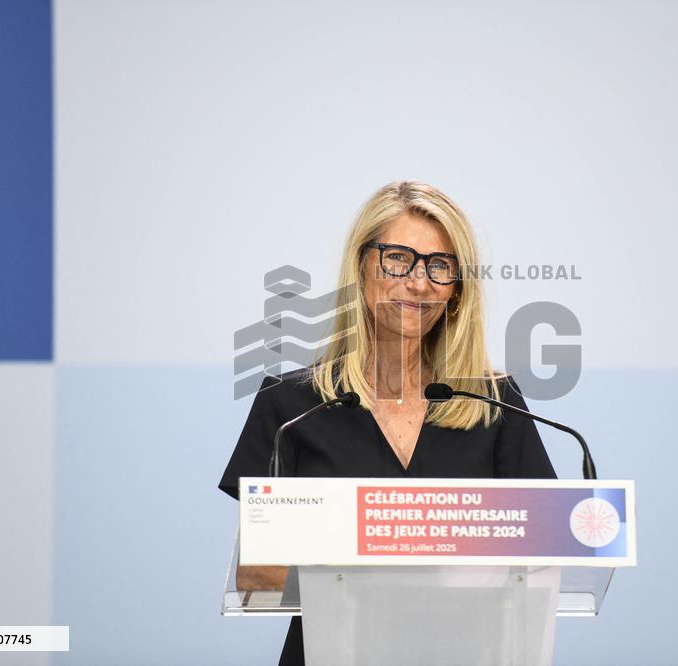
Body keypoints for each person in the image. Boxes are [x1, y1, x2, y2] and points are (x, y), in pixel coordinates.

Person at [218, 180, 556, 665]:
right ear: (362, 265)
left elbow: (541, 557)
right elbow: (259, 578)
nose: (418, 282)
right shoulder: (290, 406)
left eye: (440, 266)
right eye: (398, 258)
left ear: (457, 290)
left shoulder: (495, 403)